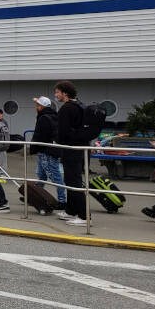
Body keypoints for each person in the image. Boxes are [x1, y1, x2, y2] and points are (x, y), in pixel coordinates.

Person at [54, 80, 90, 226]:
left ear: (65, 93)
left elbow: (63, 131)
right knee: (71, 181)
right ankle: (71, 210)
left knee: (74, 182)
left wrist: (56, 141)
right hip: (81, 148)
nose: (55, 95)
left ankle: (84, 216)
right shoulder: (80, 105)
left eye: (57, 92)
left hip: (71, 149)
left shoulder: (67, 109)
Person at [29, 96, 65, 208]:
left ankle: (62, 201)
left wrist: (33, 147)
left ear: (42, 106)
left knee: (54, 176)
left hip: (46, 151)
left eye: (38, 105)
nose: (36, 107)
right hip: (50, 150)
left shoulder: (44, 118)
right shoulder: (54, 116)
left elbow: (41, 136)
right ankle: (34, 196)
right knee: (41, 175)